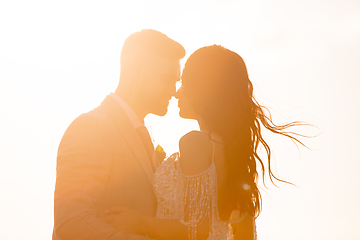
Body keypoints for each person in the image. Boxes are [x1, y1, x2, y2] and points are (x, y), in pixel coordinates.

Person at [102, 45, 307, 240]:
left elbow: (198, 230)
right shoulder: (234, 154)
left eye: (184, 83)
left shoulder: (195, 143)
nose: (176, 92)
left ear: (203, 88)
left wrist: (140, 222)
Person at [52, 29, 185, 240]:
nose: (174, 90)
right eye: (167, 79)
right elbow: (72, 223)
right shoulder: (91, 128)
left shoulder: (142, 136)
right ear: (137, 69)